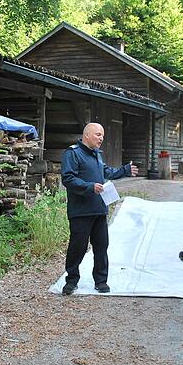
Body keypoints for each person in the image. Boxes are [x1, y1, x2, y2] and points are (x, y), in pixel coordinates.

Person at [60, 122, 138, 295]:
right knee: (77, 248)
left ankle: (101, 281)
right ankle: (71, 281)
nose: (101, 138)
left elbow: (106, 172)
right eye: (98, 134)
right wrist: (89, 187)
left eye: (102, 135)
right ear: (86, 135)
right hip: (80, 211)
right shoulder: (73, 153)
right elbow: (67, 178)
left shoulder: (97, 154)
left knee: (101, 247)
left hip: (99, 209)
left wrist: (124, 170)